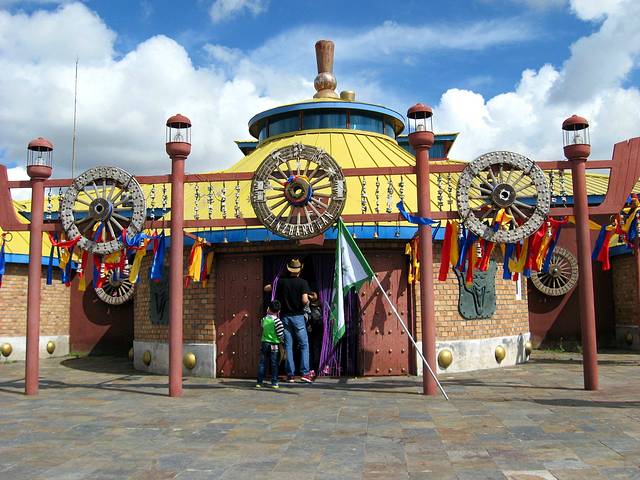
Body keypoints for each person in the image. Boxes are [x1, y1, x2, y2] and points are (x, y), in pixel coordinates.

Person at [268, 258, 314, 383]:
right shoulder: (303, 282)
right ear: (300, 270)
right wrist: (309, 301)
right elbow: (304, 300)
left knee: (288, 346)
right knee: (304, 345)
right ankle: (305, 373)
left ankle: (290, 375)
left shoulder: (281, 282)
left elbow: (268, 288)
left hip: (285, 317)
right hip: (298, 317)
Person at [256, 300, 284, 389]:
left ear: (268, 309)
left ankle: (259, 382)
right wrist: (282, 341)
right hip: (274, 344)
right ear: (279, 311)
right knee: (274, 363)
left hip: (264, 343)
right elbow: (280, 334)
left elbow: (262, 326)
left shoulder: (264, 320)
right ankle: (274, 382)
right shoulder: (278, 321)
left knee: (262, 363)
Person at [305, 292, 323, 372]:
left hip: (315, 328)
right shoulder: (309, 306)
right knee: (312, 347)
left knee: (315, 347)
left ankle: (315, 366)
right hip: (312, 328)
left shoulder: (319, 306)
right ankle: (312, 367)